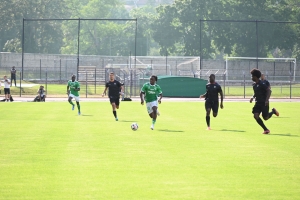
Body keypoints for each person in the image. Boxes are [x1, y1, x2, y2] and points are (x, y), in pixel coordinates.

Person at [250, 68, 279, 134]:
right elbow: (256, 93)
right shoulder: (254, 85)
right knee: (255, 116)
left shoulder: (262, 84)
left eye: (252, 76)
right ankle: (266, 129)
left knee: (265, 117)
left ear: (255, 77)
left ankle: (273, 111)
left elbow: (269, 91)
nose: (251, 77)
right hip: (258, 103)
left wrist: (266, 100)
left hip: (264, 103)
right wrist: (252, 97)